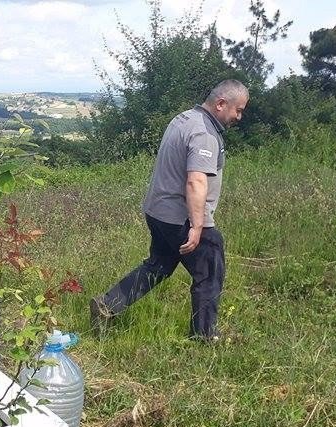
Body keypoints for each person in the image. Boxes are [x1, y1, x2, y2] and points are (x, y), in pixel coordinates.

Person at [90, 80, 249, 340]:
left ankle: (108, 305)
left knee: (159, 266)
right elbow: (196, 180)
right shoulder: (204, 133)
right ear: (221, 104)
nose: (239, 117)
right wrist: (198, 227)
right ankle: (205, 336)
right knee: (209, 271)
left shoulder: (185, 118)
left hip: (159, 211)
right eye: (238, 110)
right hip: (181, 217)